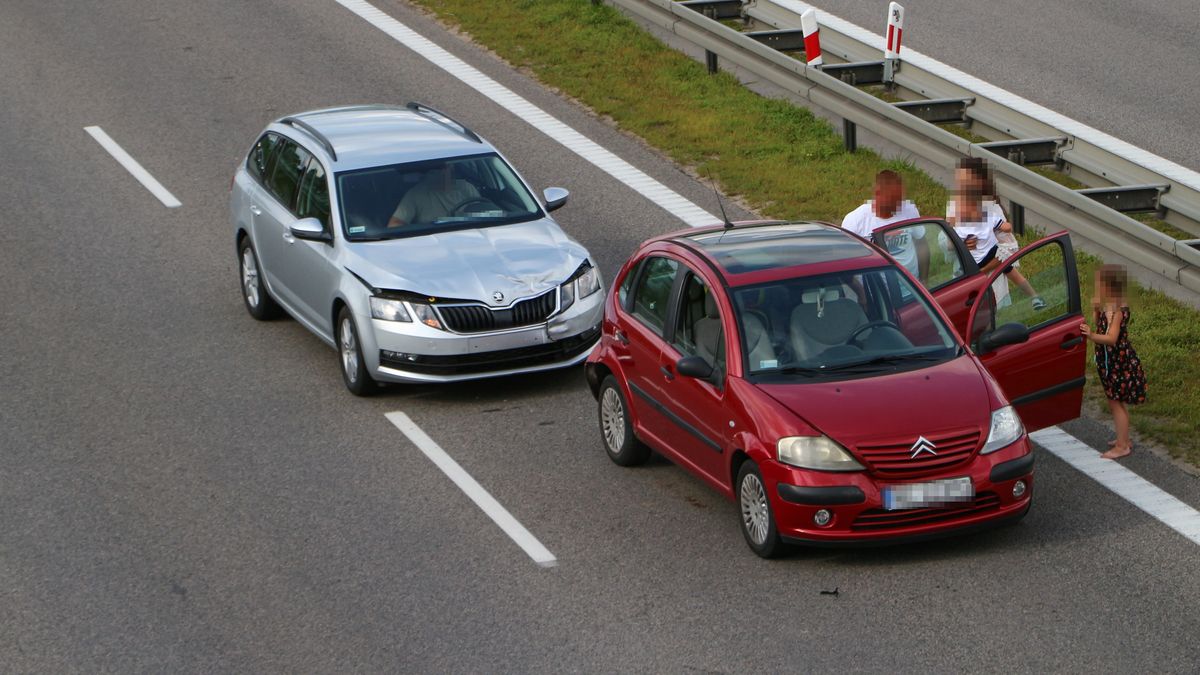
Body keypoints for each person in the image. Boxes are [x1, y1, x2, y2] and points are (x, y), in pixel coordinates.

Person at [947, 157, 1045, 310]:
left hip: (992, 280)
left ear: (980, 183)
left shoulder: (991, 210)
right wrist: (961, 243)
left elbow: (1010, 249)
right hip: (964, 278)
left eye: (966, 181)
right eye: (960, 181)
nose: (962, 186)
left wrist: (982, 270)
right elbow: (947, 242)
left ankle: (1035, 297)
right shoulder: (955, 207)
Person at [1080, 264, 1147, 459]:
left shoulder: (1117, 310)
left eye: (1099, 285)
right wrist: (1095, 310)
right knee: (1115, 402)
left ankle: (1122, 446)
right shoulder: (1109, 306)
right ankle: (1123, 438)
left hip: (1118, 363)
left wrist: (1091, 336)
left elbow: (1111, 338)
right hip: (1111, 362)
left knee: (1115, 403)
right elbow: (1101, 325)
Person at [841, 170, 930, 281]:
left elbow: (921, 244)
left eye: (900, 197)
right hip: (877, 289)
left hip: (911, 285)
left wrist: (924, 280)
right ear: (878, 194)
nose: (899, 203)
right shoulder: (854, 221)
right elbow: (846, 263)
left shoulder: (909, 210)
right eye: (893, 198)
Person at [387, 163, 483, 228]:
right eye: (438, 169)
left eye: (445, 168)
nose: (442, 172)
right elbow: (394, 224)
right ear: (429, 172)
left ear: (451, 168)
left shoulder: (466, 187)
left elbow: (483, 214)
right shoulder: (416, 194)